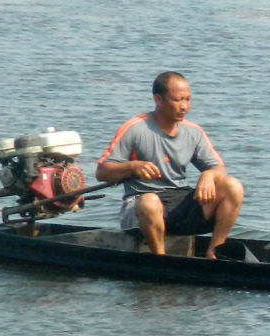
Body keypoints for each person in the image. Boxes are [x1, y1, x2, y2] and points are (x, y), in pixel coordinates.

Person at [96, 71, 245, 258]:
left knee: (233, 186)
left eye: (188, 100)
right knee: (149, 201)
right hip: (141, 203)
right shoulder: (135, 128)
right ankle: (160, 259)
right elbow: (102, 172)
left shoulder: (194, 132)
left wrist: (208, 175)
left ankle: (214, 253)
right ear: (158, 100)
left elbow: (218, 169)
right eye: (177, 100)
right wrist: (132, 167)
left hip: (179, 199)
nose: (184, 107)